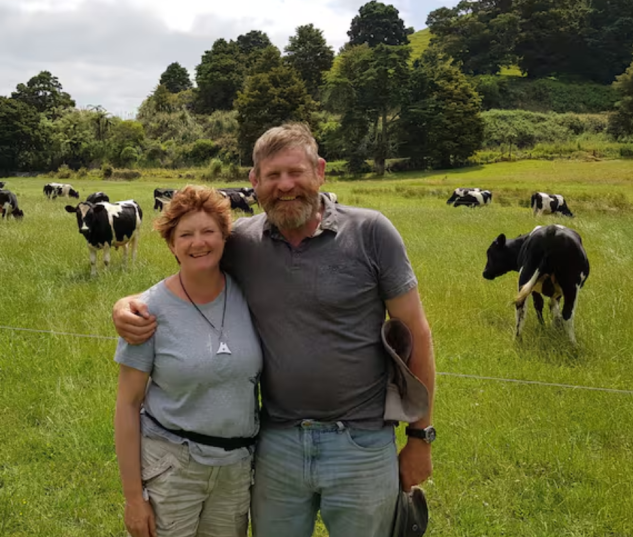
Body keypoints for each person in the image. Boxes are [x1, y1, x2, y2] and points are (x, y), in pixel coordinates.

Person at [113, 123, 436, 537]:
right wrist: (126, 305)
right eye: (272, 175)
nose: (285, 186)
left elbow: (418, 335)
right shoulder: (243, 242)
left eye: (296, 172)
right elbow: (190, 269)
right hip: (277, 444)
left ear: (319, 170)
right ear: (254, 182)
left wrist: (420, 436)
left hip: (361, 443)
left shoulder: (371, 233)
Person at [114, 186, 262, 537]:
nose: (199, 243)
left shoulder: (249, 295)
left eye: (209, 231)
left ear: (225, 237)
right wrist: (134, 498)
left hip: (236, 467)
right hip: (172, 465)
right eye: (186, 234)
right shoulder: (148, 311)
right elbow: (127, 404)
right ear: (171, 245)